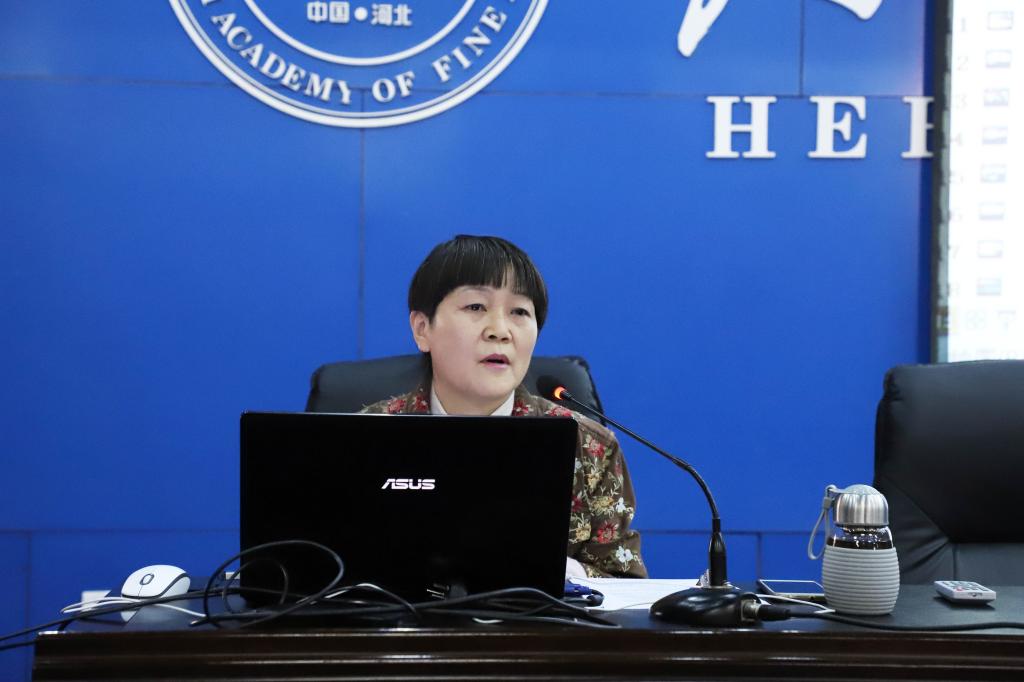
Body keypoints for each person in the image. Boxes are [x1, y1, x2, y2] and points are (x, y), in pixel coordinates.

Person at [360, 235, 647, 579]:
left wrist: (563, 573)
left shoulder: (587, 448)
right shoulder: (362, 440)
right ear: (423, 329)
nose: (500, 331)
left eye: (519, 312)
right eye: (475, 307)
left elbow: (625, 584)